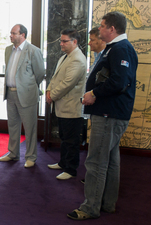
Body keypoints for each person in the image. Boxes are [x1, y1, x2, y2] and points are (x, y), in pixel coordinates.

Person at [67, 11, 138, 220]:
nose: (99, 29)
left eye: (102, 25)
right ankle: (107, 204)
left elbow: (119, 82)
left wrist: (93, 93)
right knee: (111, 161)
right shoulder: (115, 48)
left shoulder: (121, 48)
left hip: (109, 115)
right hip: (110, 114)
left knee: (96, 162)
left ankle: (90, 208)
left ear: (112, 29)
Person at [0, 24, 45, 168]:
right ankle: (13, 153)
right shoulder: (7, 50)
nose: (10, 35)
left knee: (30, 128)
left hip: (27, 95)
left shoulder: (33, 51)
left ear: (22, 35)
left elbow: (40, 73)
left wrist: (28, 87)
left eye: (13, 33)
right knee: (13, 125)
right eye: (10, 33)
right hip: (10, 93)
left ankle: (30, 156)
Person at [46, 29, 86, 180]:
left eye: (64, 41)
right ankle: (63, 163)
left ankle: (70, 169)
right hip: (62, 105)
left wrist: (52, 96)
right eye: (60, 41)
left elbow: (67, 84)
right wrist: (49, 90)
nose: (61, 44)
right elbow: (55, 78)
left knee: (71, 140)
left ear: (74, 42)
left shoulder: (78, 59)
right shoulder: (65, 57)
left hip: (71, 107)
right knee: (64, 137)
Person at [81, 27, 106, 184]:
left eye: (92, 40)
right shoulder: (98, 55)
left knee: (99, 152)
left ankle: (96, 183)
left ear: (101, 40)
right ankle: (92, 179)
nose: (89, 43)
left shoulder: (107, 57)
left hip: (103, 109)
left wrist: (93, 94)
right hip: (94, 107)